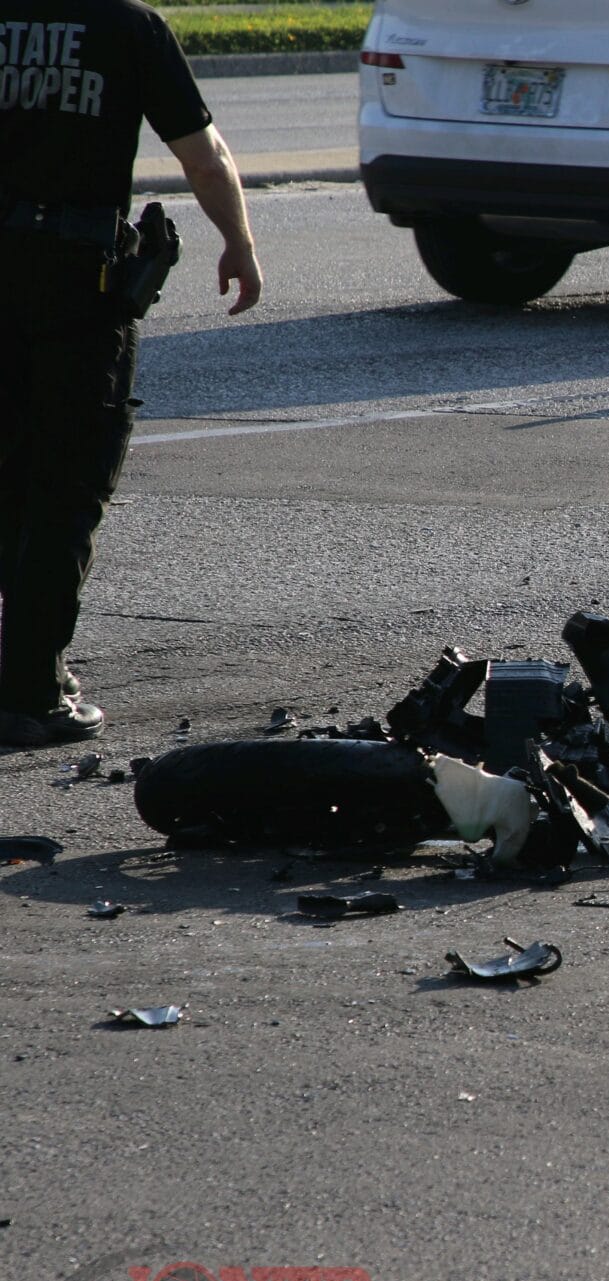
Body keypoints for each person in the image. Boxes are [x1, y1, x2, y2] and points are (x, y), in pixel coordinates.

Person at [0, 0, 261, 747]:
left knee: (8, 482)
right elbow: (202, 153)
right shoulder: (127, 28)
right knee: (66, 486)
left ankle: (22, 670)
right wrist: (238, 244)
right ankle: (30, 691)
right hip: (77, 288)